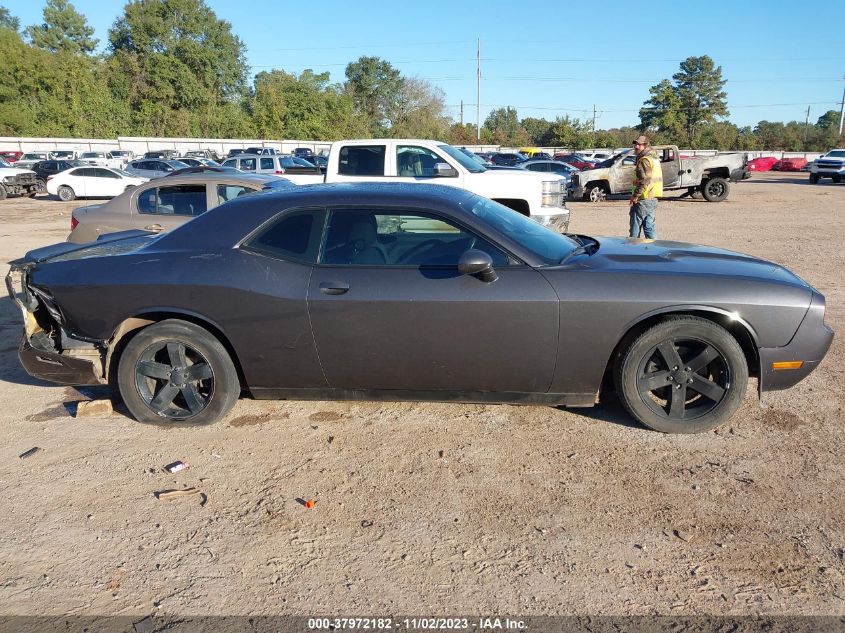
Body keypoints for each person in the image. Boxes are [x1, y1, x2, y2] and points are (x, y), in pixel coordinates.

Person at [629, 135, 663, 239]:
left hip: (643, 198)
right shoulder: (654, 159)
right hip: (652, 198)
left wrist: (635, 196)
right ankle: (654, 250)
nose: (636, 146)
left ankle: (632, 250)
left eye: (639, 144)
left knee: (635, 228)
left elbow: (644, 181)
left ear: (645, 145)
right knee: (649, 227)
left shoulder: (644, 160)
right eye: (635, 144)